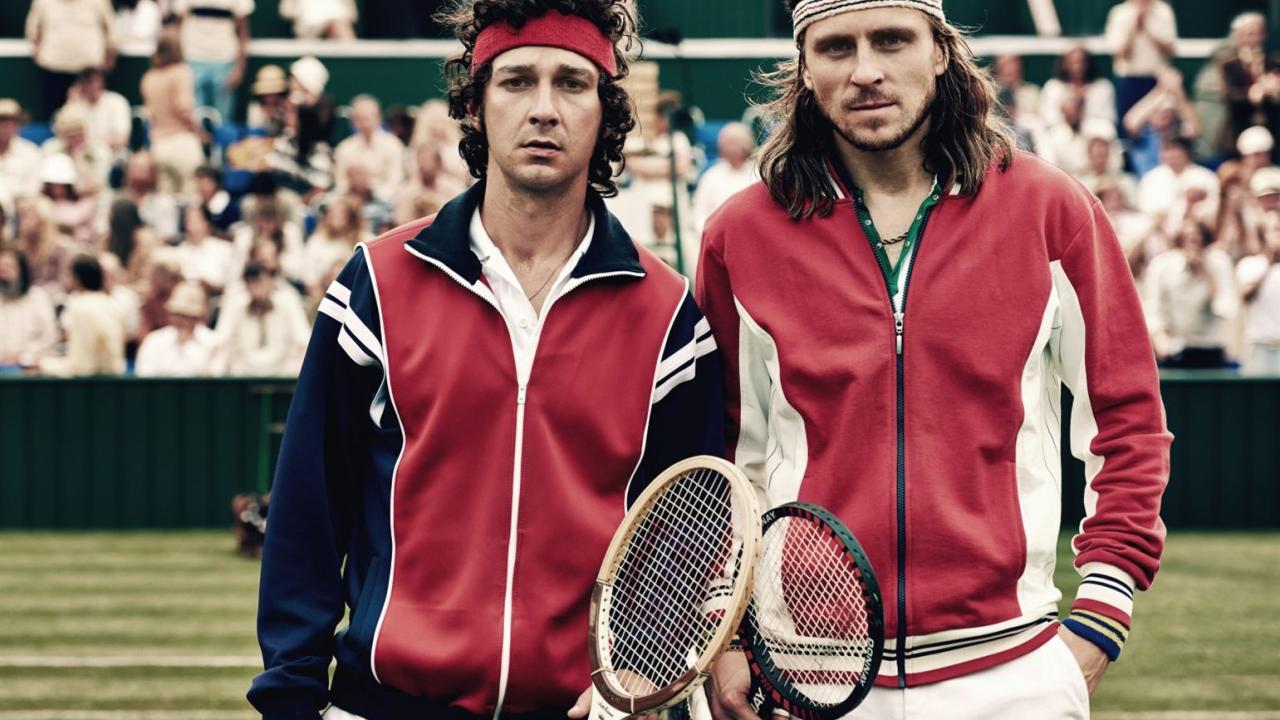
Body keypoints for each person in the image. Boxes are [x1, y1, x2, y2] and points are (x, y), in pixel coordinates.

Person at [247, 0, 724, 718]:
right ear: (474, 106)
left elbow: (684, 538)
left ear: (606, 110)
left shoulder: (669, 317)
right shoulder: (377, 283)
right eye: (516, 81)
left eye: (571, 82)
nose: (543, 109)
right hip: (389, 702)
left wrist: (630, 677)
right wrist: (291, 692)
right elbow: (311, 505)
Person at [699, 1, 1170, 718]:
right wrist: (726, 635)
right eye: (835, 47)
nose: (865, 71)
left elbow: (1126, 417)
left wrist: (1101, 615)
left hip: (1009, 665)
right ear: (804, 67)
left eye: (892, 40)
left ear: (942, 51)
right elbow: (726, 457)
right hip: (806, 674)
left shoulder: (1049, 210)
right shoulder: (741, 234)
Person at [1142, 219, 1237, 368]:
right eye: (1189, 240)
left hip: (1211, 351)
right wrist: (1160, 339)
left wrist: (1205, 272)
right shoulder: (1161, 265)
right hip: (1174, 350)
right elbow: (1153, 310)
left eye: (1199, 241)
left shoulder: (1219, 263)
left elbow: (1225, 309)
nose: (1193, 246)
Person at [214, 261, 311, 376]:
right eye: (252, 283)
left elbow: (303, 340)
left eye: (261, 282)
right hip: (243, 378)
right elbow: (221, 341)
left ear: (270, 282)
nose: (258, 289)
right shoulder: (236, 306)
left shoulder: (288, 302)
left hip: (284, 377)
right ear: (246, 286)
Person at [25, 0, 118, 118]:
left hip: (90, 69)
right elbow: (32, 32)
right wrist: (38, 56)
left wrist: (110, 60)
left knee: (95, 114)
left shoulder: (99, 2)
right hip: (53, 69)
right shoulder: (42, 2)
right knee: (55, 116)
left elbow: (112, 31)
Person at [38, 254, 126, 376]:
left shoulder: (80, 308)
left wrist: (42, 365)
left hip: (93, 388)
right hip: (113, 383)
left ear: (76, 279)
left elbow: (81, 367)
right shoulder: (112, 305)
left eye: (68, 274)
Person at [141, 31, 205, 198]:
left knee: (165, 202)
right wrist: (200, 132)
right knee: (192, 197)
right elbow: (183, 109)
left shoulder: (148, 77)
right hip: (182, 143)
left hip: (159, 145)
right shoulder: (181, 72)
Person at [172, 0, 253, 126]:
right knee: (194, 121)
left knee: (223, 123)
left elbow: (244, 30)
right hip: (192, 58)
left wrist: (239, 67)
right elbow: (177, 25)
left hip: (225, 60)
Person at [1104, 0, 1178, 126]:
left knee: (1158, 127)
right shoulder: (1119, 13)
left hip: (1158, 82)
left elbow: (1170, 51)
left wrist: (1148, 30)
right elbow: (1120, 55)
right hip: (1128, 80)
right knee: (1127, 126)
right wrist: (1134, 27)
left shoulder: (1163, 11)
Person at [1237, 168, 1280, 374]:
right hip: (1259, 346)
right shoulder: (1250, 264)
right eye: (1275, 231)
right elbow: (1245, 295)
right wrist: (1269, 263)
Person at [134, 279, 219, 376]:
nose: (182, 320)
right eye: (178, 314)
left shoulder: (213, 342)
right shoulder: (154, 341)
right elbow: (144, 378)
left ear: (199, 317)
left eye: (188, 316)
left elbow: (214, 379)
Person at [691, 122, 759, 236]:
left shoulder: (759, 174)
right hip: (717, 238)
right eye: (724, 142)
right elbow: (698, 214)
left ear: (746, 144)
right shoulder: (711, 176)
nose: (725, 146)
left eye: (732, 142)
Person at [334, 95, 406, 201]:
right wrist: (353, 188)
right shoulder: (344, 148)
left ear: (378, 118)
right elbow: (340, 183)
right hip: (350, 201)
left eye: (367, 119)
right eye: (359, 119)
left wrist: (372, 190)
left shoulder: (393, 145)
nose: (364, 124)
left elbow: (395, 181)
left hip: (384, 203)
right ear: (352, 122)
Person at [0, 247, 59, 368]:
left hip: (28, 370)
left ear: (21, 270)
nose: (3, 273)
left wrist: (22, 356)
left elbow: (49, 337)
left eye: (9, 267)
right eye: (1, 268)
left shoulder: (37, 298)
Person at [0, 99, 44, 201]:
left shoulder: (31, 152)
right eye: (2, 121)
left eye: (12, 121)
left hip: (21, 207)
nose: (7, 126)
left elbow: (33, 189)